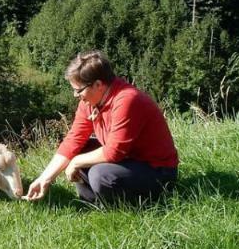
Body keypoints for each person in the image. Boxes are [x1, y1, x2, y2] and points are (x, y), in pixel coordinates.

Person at [24, 50, 178, 205]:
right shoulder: (89, 102)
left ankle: (138, 205)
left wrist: (77, 162)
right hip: (129, 160)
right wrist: (44, 179)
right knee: (80, 150)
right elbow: (73, 141)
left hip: (157, 171)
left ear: (98, 84)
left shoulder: (127, 100)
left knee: (101, 175)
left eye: (78, 90)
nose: (75, 95)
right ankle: (92, 203)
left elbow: (114, 152)